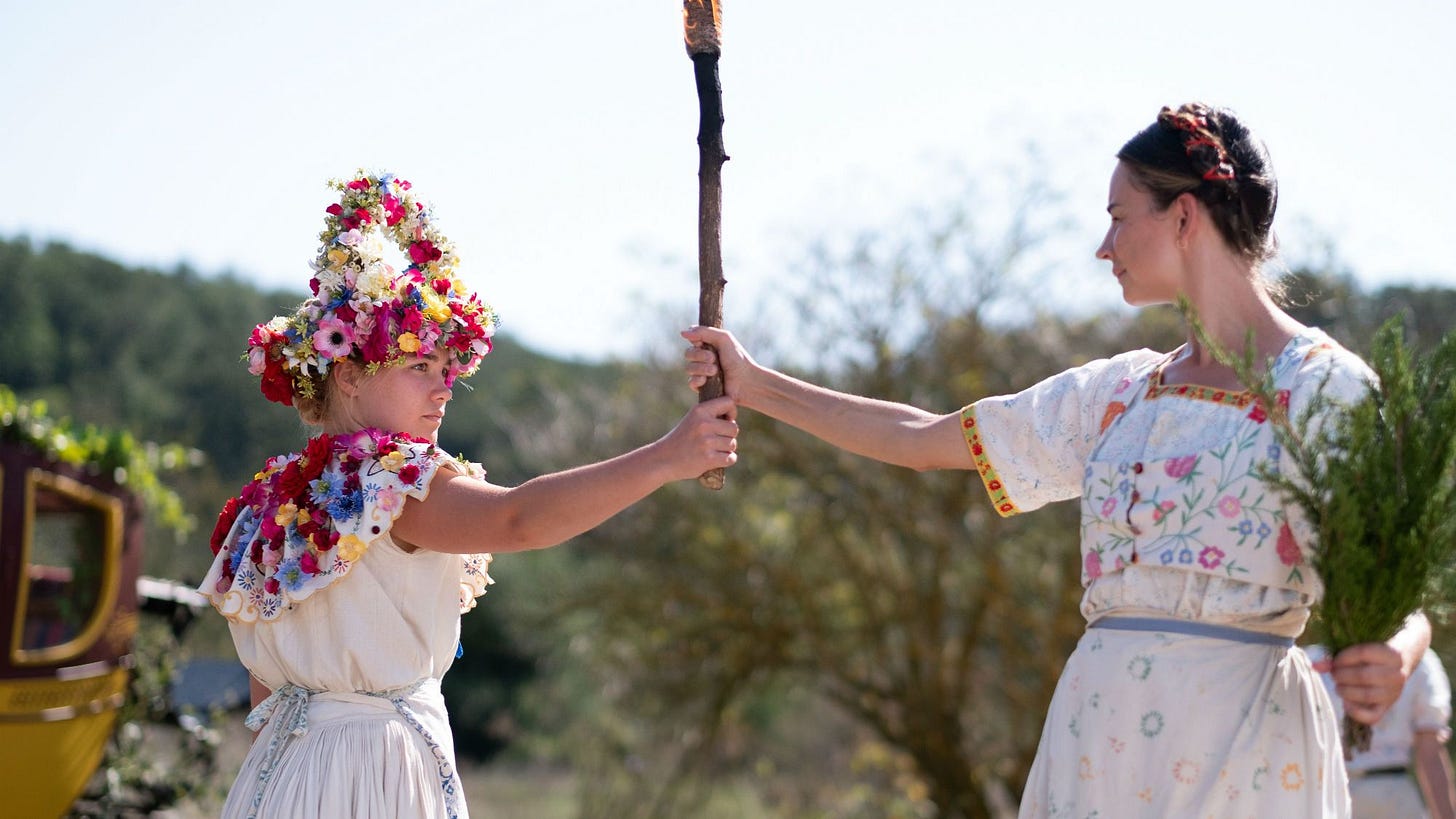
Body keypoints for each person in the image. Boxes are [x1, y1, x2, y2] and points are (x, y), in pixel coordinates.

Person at [682, 103, 1430, 816]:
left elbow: (1399, 587)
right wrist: (755, 384)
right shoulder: (1119, 395)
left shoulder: (1325, 388)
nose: (1104, 246)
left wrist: (1397, 654)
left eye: (1118, 217)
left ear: (1183, 215)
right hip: (1100, 741)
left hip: (1245, 747)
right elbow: (922, 438)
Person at [199, 171, 738, 819]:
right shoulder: (392, 480)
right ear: (347, 374)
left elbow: (265, 691)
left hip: (279, 777)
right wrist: (668, 456)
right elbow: (518, 519)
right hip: (376, 772)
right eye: (418, 366)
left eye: (446, 369)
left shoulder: (271, 500)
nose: (443, 388)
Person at [1307, 644, 1456, 818]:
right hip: (1387, 796)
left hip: (1333, 795)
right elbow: (1430, 754)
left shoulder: (1311, 662)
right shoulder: (1420, 659)